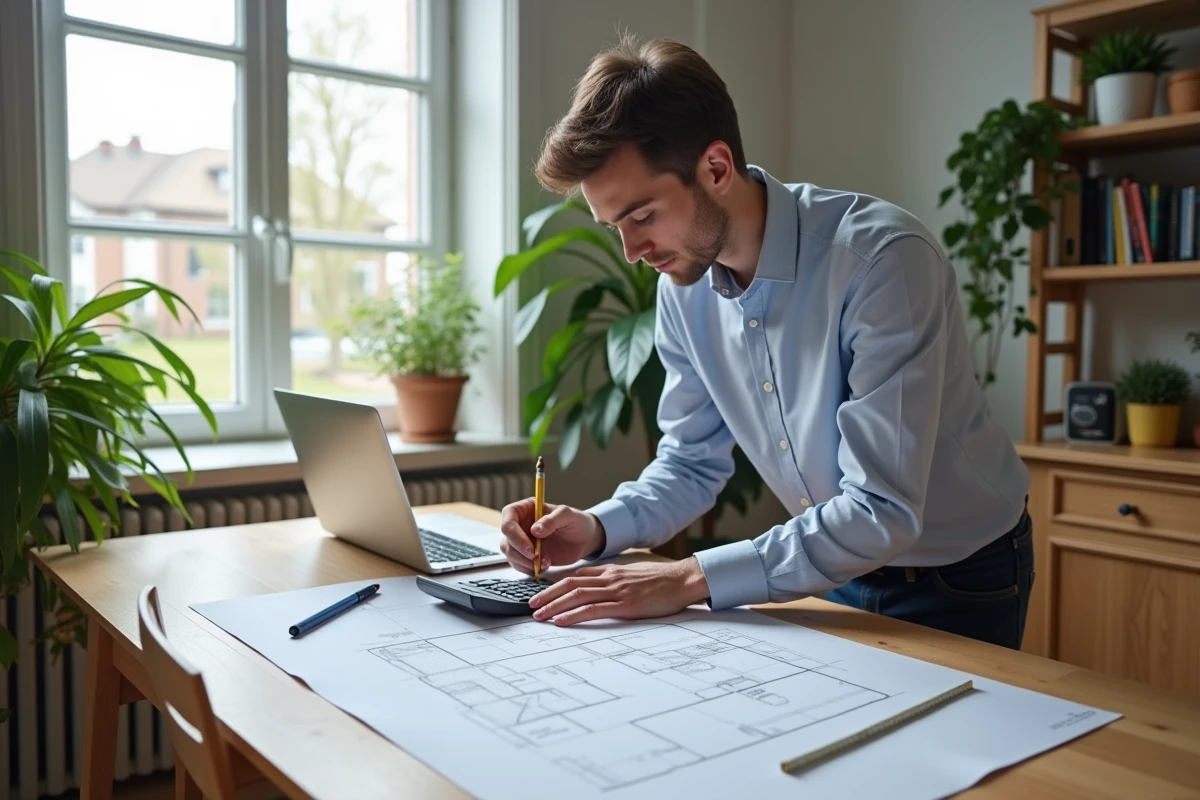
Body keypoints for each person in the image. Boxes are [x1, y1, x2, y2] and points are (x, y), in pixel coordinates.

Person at [499, 35, 1033, 649]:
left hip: (962, 578)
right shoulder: (682, 285)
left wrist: (688, 576)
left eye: (643, 216)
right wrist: (594, 529)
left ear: (716, 168)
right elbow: (691, 462)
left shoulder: (882, 262)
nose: (632, 252)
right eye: (615, 226)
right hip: (825, 566)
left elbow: (881, 509)